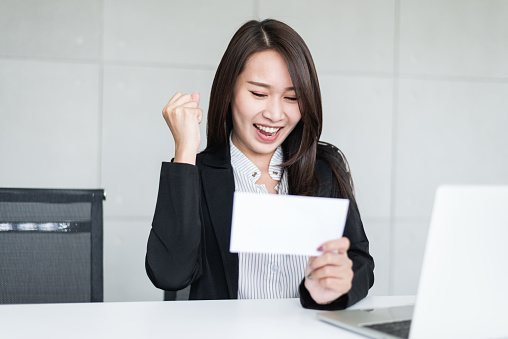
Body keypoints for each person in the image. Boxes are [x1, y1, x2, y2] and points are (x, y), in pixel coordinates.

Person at [145, 19, 374, 310]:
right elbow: (170, 274)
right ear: (229, 91)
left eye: (292, 97)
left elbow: (359, 261)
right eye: (259, 94)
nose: (275, 114)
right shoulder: (196, 175)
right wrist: (185, 150)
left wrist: (334, 286)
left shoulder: (324, 168)